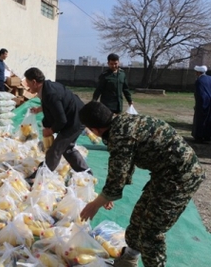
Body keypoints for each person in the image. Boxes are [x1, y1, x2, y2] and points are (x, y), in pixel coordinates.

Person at [78, 101, 204, 267]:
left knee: (151, 234)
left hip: (181, 178)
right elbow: (123, 166)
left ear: (95, 130)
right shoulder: (121, 122)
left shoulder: (120, 134)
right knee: (138, 220)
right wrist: (109, 194)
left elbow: (118, 176)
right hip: (164, 175)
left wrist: (96, 203)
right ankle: (129, 259)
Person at [25, 67, 91, 175]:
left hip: (75, 120)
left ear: (34, 82)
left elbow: (61, 120)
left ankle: (42, 175)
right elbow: (54, 105)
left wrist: (50, 130)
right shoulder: (46, 88)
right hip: (74, 116)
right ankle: (86, 173)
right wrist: (39, 109)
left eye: (27, 83)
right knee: (67, 149)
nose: (27, 86)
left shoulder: (51, 94)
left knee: (56, 149)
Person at [192, 65, 211, 143]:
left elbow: (199, 94)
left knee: (200, 120)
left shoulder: (199, 81)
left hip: (203, 102)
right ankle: (208, 136)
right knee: (209, 120)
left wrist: (198, 105)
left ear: (198, 72)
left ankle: (199, 137)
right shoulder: (210, 78)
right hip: (210, 103)